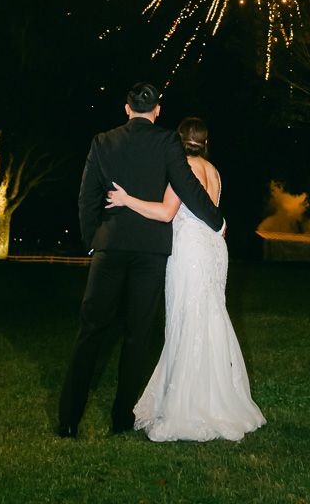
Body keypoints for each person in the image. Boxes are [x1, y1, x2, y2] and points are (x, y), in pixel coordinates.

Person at [57, 83, 225, 438]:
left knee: (90, 332)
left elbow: (86, 198)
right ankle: (121, 419)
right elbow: (188, 188)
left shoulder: (102, 141)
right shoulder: (167, 142)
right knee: (137, 336)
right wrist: (217, 221)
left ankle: (69, 420)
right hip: (150, 253)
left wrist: (92, 242)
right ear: (158, 110)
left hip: (111, 248)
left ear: (126, 108)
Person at [105, 116, 266, 442]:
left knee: (185, 321)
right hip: (214, 251)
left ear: (178, 141)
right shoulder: (213, 170)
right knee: (209, 319)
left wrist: (126, 200)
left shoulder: (183, 170)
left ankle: (187, 406)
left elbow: (165, 212)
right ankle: (220, 398)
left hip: (189, 253)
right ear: (205, 142)